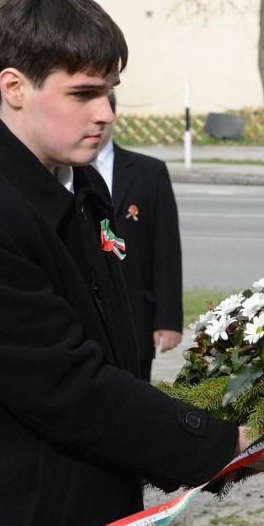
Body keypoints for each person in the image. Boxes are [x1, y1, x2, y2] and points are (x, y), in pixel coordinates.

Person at [0, 0, 264, 526]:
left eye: (110, 92)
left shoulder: (76, 183)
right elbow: (69, 387)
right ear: (14, 86)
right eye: (83, 93)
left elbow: (107, 356)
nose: (105, 113)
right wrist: (224, 443)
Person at [93, 92, 184, 382]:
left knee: (134, 394)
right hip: (82, 319)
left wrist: (168, 319)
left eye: (102, 116)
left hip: (135, 316)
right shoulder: (61, 169)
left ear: (112, 116)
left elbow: (166, 249)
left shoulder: (149, 172)